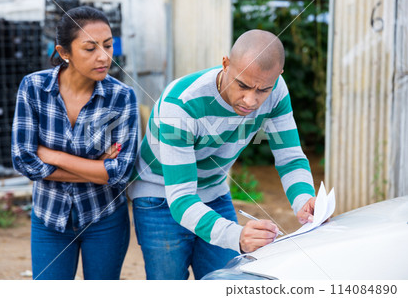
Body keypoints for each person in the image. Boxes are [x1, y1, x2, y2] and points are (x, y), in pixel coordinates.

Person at [128, 30, 317, 280]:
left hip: (214, 191)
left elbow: (290, 157)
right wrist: (237, 236)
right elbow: (182, 200)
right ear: (225, 64)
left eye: (262, 90)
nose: (250, 100)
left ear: (277, 77)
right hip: (160, 195)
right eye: (242, 85)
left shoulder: (277, 91)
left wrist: (304, 200)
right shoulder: (180, 103)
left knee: (224, 283)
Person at [11, 6, 138, 280]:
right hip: (49, 219)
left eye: (107, 45)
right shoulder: (33, 88)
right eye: (90, 48)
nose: (103, 56)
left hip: (105, 220)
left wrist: (51, 155)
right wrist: (96, 169)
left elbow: (120, 173)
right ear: (64, 52)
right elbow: (23, 160)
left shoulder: (122, 97)